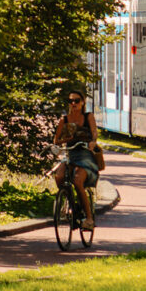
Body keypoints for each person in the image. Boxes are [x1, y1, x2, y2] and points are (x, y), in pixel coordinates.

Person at [53, 88, 99, 227]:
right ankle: (68, 200)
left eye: (76, 101)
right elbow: (56, 140)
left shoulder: (88, 117)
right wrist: (66, 140)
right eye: (71, 101)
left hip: (85, 154)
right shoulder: (64, 119)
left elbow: (94, 133)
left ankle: (89, 218)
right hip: (70, 153)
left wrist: (93, 142)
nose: (73, 103)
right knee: (59, 176)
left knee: (78, 181)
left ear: (82, 102)